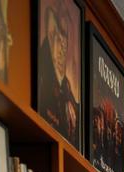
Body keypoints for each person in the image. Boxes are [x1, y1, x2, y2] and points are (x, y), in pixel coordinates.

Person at [36, 3, 78, 144]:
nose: (60, 48)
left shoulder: (70, 96)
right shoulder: (42, 82)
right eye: (55, 36)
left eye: (64, 40)